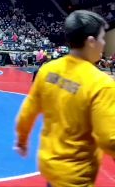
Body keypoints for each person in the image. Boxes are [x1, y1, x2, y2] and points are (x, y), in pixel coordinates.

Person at [14, 10, 115, 187]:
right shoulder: (101, 83)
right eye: (102, 38)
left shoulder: (48, 70)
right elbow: (109, 139)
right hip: (76, 175)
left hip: (50, 165)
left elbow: (28, 110)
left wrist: (22, 140)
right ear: (91, 42)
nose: (104, 44)